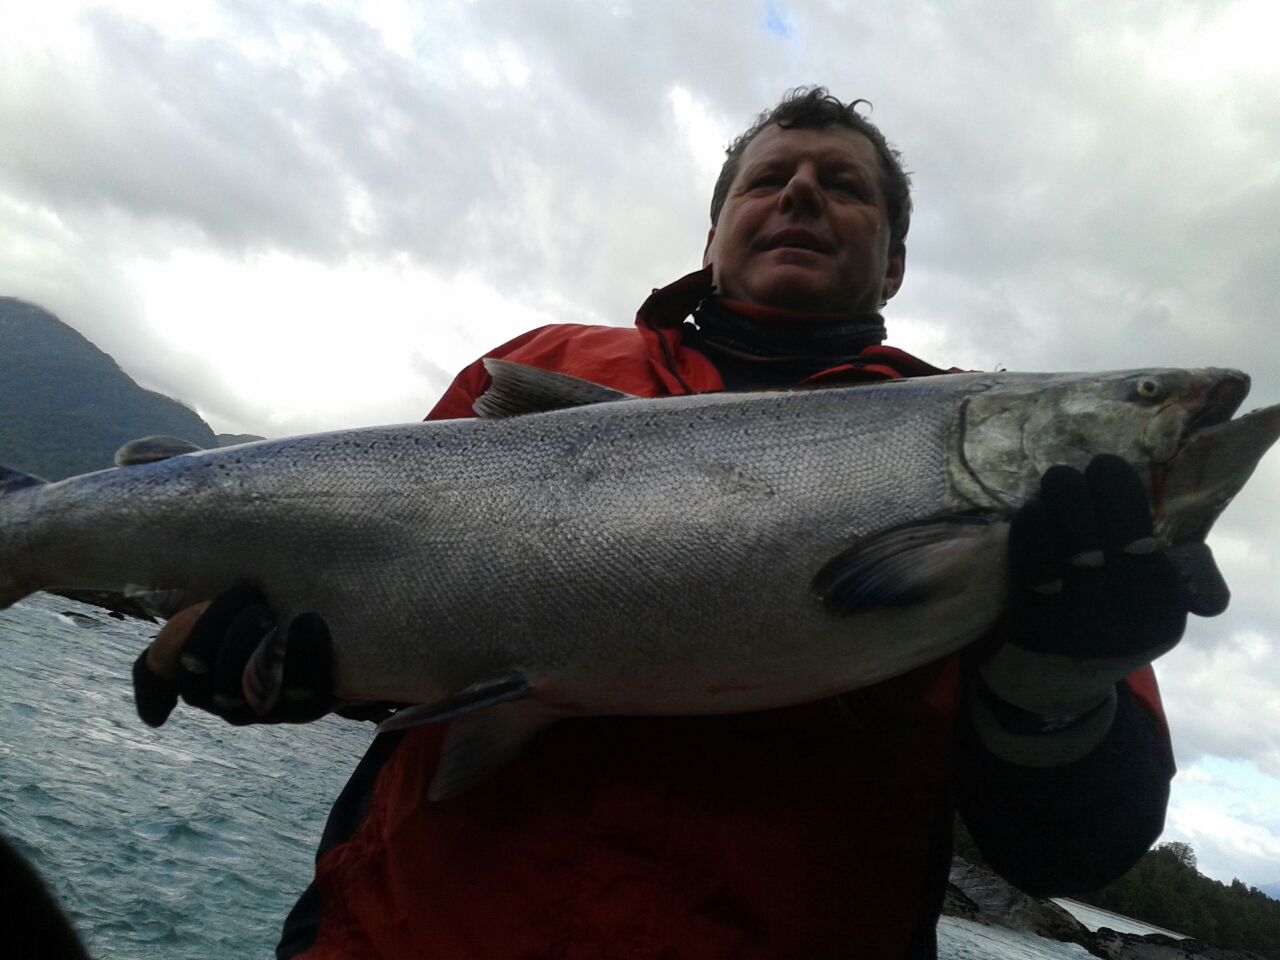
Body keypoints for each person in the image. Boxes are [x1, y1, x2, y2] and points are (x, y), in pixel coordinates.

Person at [133, 87, 1226, 959]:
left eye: (842, 186)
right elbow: (370, 621)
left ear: (891, 261)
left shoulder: (1047, 512)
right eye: (768, 180)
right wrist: (247, 664)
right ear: (714, 235)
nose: (799, 193)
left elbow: (1072, 842)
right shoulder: (547, 364)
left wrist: (1062, 683)